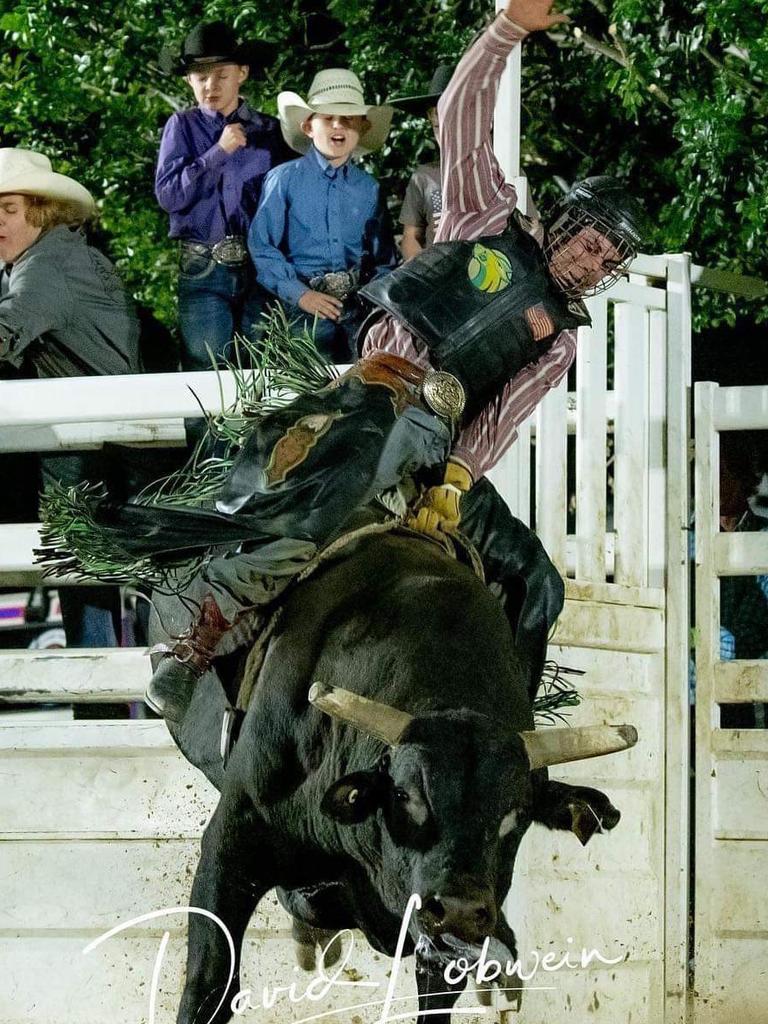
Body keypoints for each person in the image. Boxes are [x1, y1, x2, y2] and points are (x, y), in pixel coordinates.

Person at [39, 0, 647, 721]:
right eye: (588, 241)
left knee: (536, 580)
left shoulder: (561, 339)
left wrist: (453, 484)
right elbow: (461, 114)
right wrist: (507, 28)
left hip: (439, 446)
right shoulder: (487, 216)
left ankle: (502, 725)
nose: (588, 261)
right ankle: (197, 637)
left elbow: (499, 422)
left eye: (606, 260)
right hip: (373, 396)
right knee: (317, 507)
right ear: (568, 222)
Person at [0, 148, 142, 647]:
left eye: (9, 209)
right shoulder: (57, 255)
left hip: (91, 452)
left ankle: (100, 708)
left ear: (40, 209)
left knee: (84, 580)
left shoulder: (44, 267)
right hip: (118, 447)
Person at [156, 22, 290, 371]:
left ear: (242, 73)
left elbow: (289, 203)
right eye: (200, 76)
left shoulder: (270, 130)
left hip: (261, 267)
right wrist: (218, 152)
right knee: (206, 372)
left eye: (221, 75)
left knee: (261, 372)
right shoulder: (181, 126)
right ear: (188, 80)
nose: (210, 85)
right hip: (203, 266)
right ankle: (204, 430)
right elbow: (169, 196)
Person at [248, 69, 397, 363]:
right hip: (301, 311)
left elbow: (384, 259)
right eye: (328, 118)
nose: (338, 126)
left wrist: (375, 305)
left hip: (356, 311)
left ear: (363, 128)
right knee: (308, 393)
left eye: (348, 119)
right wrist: (301, 295)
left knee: (369, 384)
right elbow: (262, 247)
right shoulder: (284, 180)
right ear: (308, 127)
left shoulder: (368, 188)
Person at [389, 64, 454, 260]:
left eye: (453, 125)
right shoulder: (424, 177)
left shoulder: (503, 171)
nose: (445, 135)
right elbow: (411, 237)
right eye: (437, 127)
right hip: (437, 277)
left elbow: (530, 230)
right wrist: (421, 277)